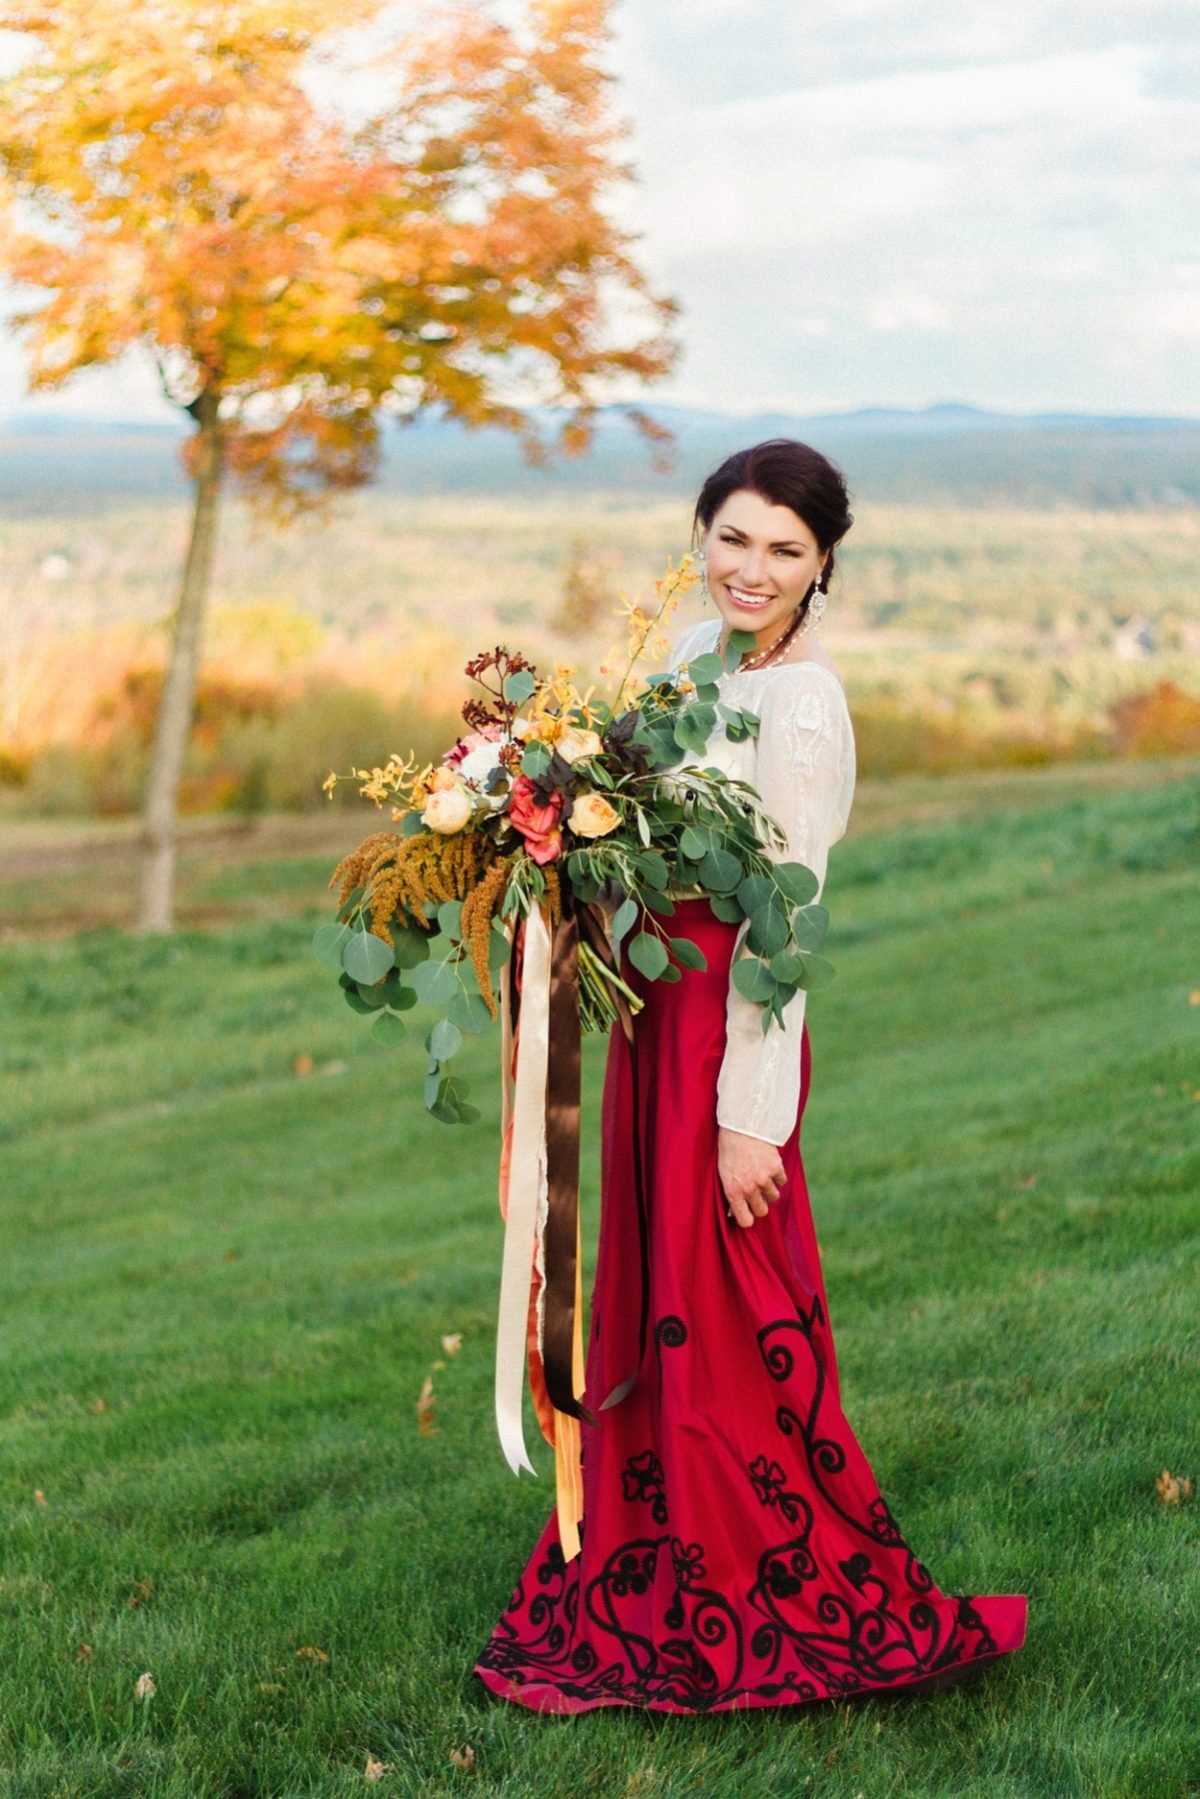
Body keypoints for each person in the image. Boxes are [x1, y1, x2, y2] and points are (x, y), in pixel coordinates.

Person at [474, 440, 1028, 1713]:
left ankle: (753, 1569)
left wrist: (749, 1125)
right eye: (735, 537)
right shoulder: (686, 672)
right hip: (655, 1025)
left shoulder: (805, 703)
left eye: (785, 549)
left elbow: (790, 917)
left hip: (730, 1039)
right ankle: (644, 1545)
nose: (753, 568)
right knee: (655, 1293)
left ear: (822, 563)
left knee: (726, 1306)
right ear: (700, 534)